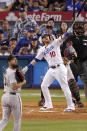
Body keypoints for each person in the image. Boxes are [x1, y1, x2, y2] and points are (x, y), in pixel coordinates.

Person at [22, 29, 75, 112]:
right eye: (44, 37)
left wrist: (68, 32)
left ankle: (71, 106)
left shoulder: (55, 43)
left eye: (47, 36)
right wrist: (27, 67)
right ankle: (48, 104)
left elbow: (63, 37)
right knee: (43, 85)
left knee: (64, 86)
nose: (46, 37)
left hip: (60, 68)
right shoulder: (42, 49)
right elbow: (35, 60)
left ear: (50, 38)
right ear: (42, 40)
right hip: (51, 69)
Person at [0, 55, 26, 131]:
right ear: (9, 62)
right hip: (14, 97)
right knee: (17, 120)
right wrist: (23, 83)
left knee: (5, 119)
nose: (15, 61)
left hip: (5, 97)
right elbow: (14, 87)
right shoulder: (12, 72)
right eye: (13, 60)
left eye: (16, 60)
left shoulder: (7, 71)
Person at [66, 23, 87, 101]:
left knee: (86, 82)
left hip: (83, 63)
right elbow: (65, 48)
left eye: (81, 29)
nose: (79, 30)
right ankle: (75, 100)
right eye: (78, 29)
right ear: (74, 30)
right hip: (73, 63)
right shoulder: (70, 38)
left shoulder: (85, 38)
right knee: (72, 83)